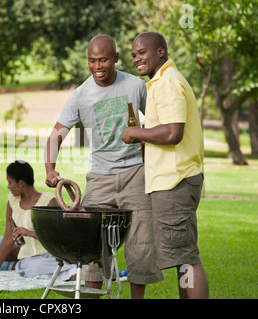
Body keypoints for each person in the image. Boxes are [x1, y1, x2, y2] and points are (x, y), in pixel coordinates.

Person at [44, 34, 163, 298]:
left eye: (103, 60)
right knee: (92, 243)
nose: (98, 66)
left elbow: (157, 121)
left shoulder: (135, 85)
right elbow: (56, 135)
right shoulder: (80, 95)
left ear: (116, 58)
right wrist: (50, 169)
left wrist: (146, 140)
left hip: (136, 174)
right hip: (100, 176)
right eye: (92, 60)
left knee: (140, 242)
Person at [123, 31, 209, 299]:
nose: (137, 58)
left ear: (161, 51)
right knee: (182, 259)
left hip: (175, 181)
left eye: (143, 52)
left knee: (187, 258)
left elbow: (173, 133)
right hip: (174, 180)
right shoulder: (160, 82)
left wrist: (137, 133)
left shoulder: (168, 82)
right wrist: (147, 140)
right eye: (134, 55)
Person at [0, 160, 77, 281]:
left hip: (51, 256)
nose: (8, 186)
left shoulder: (48, 201)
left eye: (10, 182)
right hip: (28, 259)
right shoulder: (12, 201)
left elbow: (59, 235)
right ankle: (68, 273)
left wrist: (30, 233)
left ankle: (69, 271)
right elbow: (8, 238)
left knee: (40, 266)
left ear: (20, 183)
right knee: (35, 266)